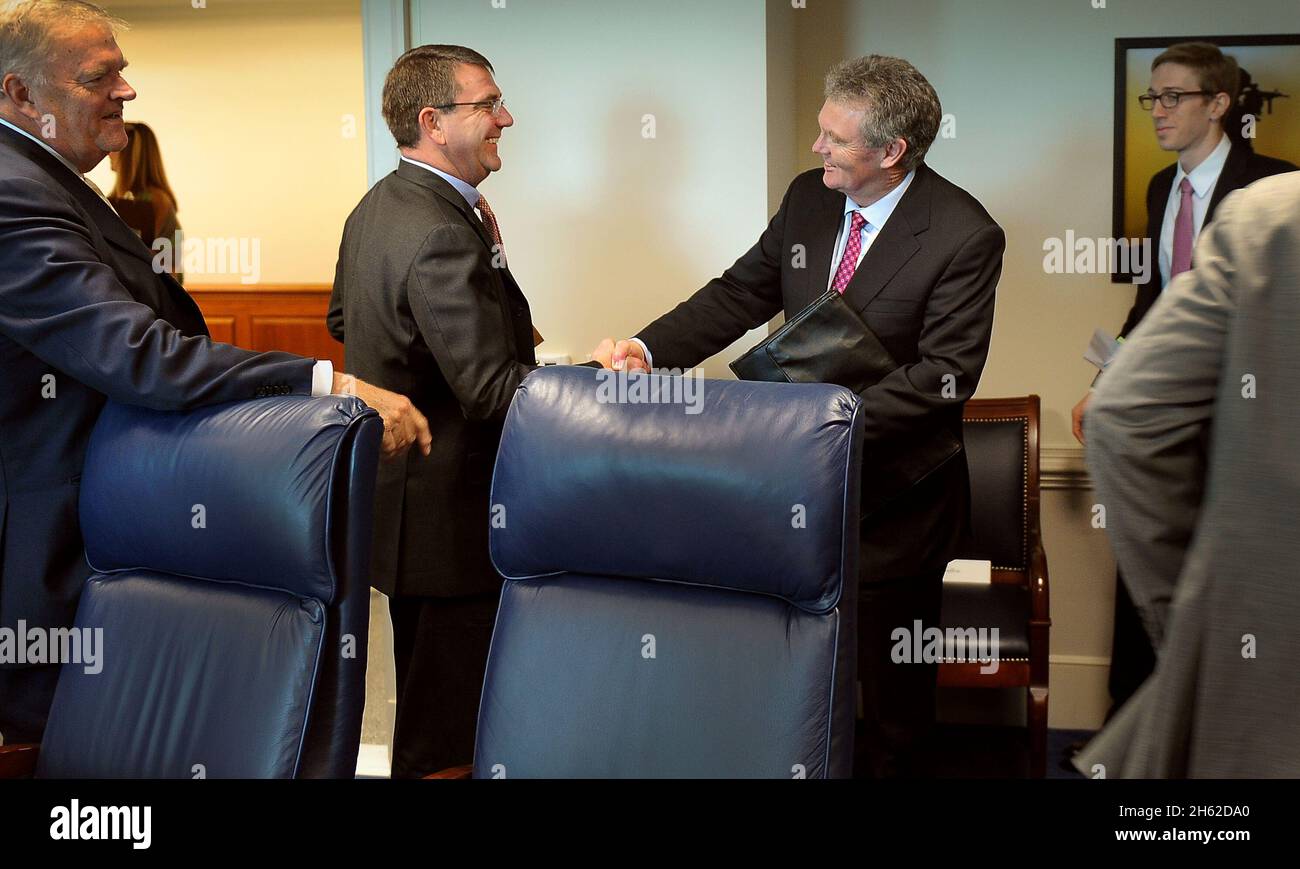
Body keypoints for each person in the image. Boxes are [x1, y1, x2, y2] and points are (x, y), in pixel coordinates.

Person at [0, 0, 429, 745]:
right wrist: (332, 386)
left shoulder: (46, 175)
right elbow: (144, 357)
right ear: (19, 94)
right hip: (48, 562)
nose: (126, 92)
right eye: (100, 76)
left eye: (123, 72)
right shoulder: (13, 191)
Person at [597, 55, 1004, 777]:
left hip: (896, 507)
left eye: (834, 138)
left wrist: (817, 429)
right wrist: (646, 345)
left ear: (891, 151)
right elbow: (738, 294)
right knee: (792, 680)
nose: (817, 148)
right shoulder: (809, 199)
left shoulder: (964, 232)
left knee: (892, 705)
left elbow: (943, 378)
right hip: (791, 498)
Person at [328, 45, 596, 777]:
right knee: (447, 733)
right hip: (454, 522)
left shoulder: (377, 205)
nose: (505, 117)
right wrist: (598, 379)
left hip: (404, 514)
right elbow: (490, 392)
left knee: (430, 705)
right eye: (488, 105)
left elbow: (343, 319)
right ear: (432, 122)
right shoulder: (443, 227)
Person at [1069, 42, 1296, 720]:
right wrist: (1110, 380)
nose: (1158, 112)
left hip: (1245, 411)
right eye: (1152, 98)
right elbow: (1154, 302)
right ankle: (1131, 731)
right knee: (1143, 552)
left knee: (1224, 568)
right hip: (1168, 402)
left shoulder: (1273, 189)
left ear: (1219, 103)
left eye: (1173, 97)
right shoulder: (1161, 187)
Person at [108, 121, 182, 279]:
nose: (109, 152)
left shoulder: (146, 201)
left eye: (114, 145)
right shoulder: (159, 198)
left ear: (127, 154)